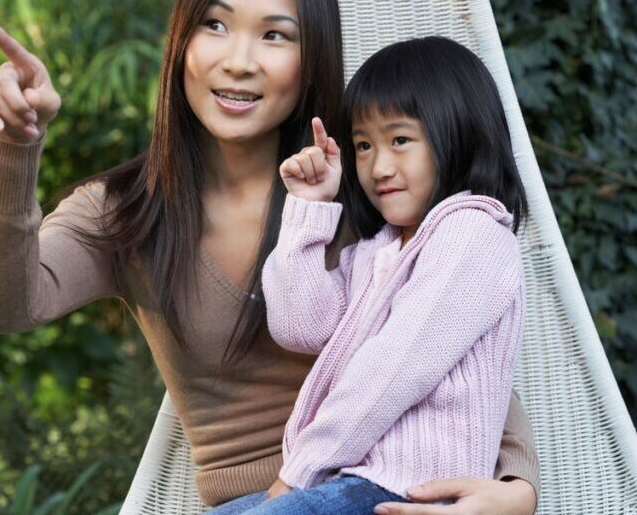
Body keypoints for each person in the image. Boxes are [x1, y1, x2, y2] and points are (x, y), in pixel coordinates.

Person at [0, 0, 540, 513]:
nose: (238, 62)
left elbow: (445, 343)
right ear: (181, 45)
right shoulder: (125, 211)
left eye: (274, 35)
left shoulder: (369, 181)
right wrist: (15, 149)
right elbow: (4, 305)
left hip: (390, 490)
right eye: (215, 26)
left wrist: (517, 491)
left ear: (310, 56)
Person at [208, 35, 528, 514]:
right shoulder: (376, 252)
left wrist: (298, 475)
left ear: (458, 132)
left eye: (400, 140)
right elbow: (300, 327)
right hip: (348, 481)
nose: (378, 166)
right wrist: (306, 210)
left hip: (409, 490)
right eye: (363, 145)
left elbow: (393, 368)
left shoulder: (473, 234)